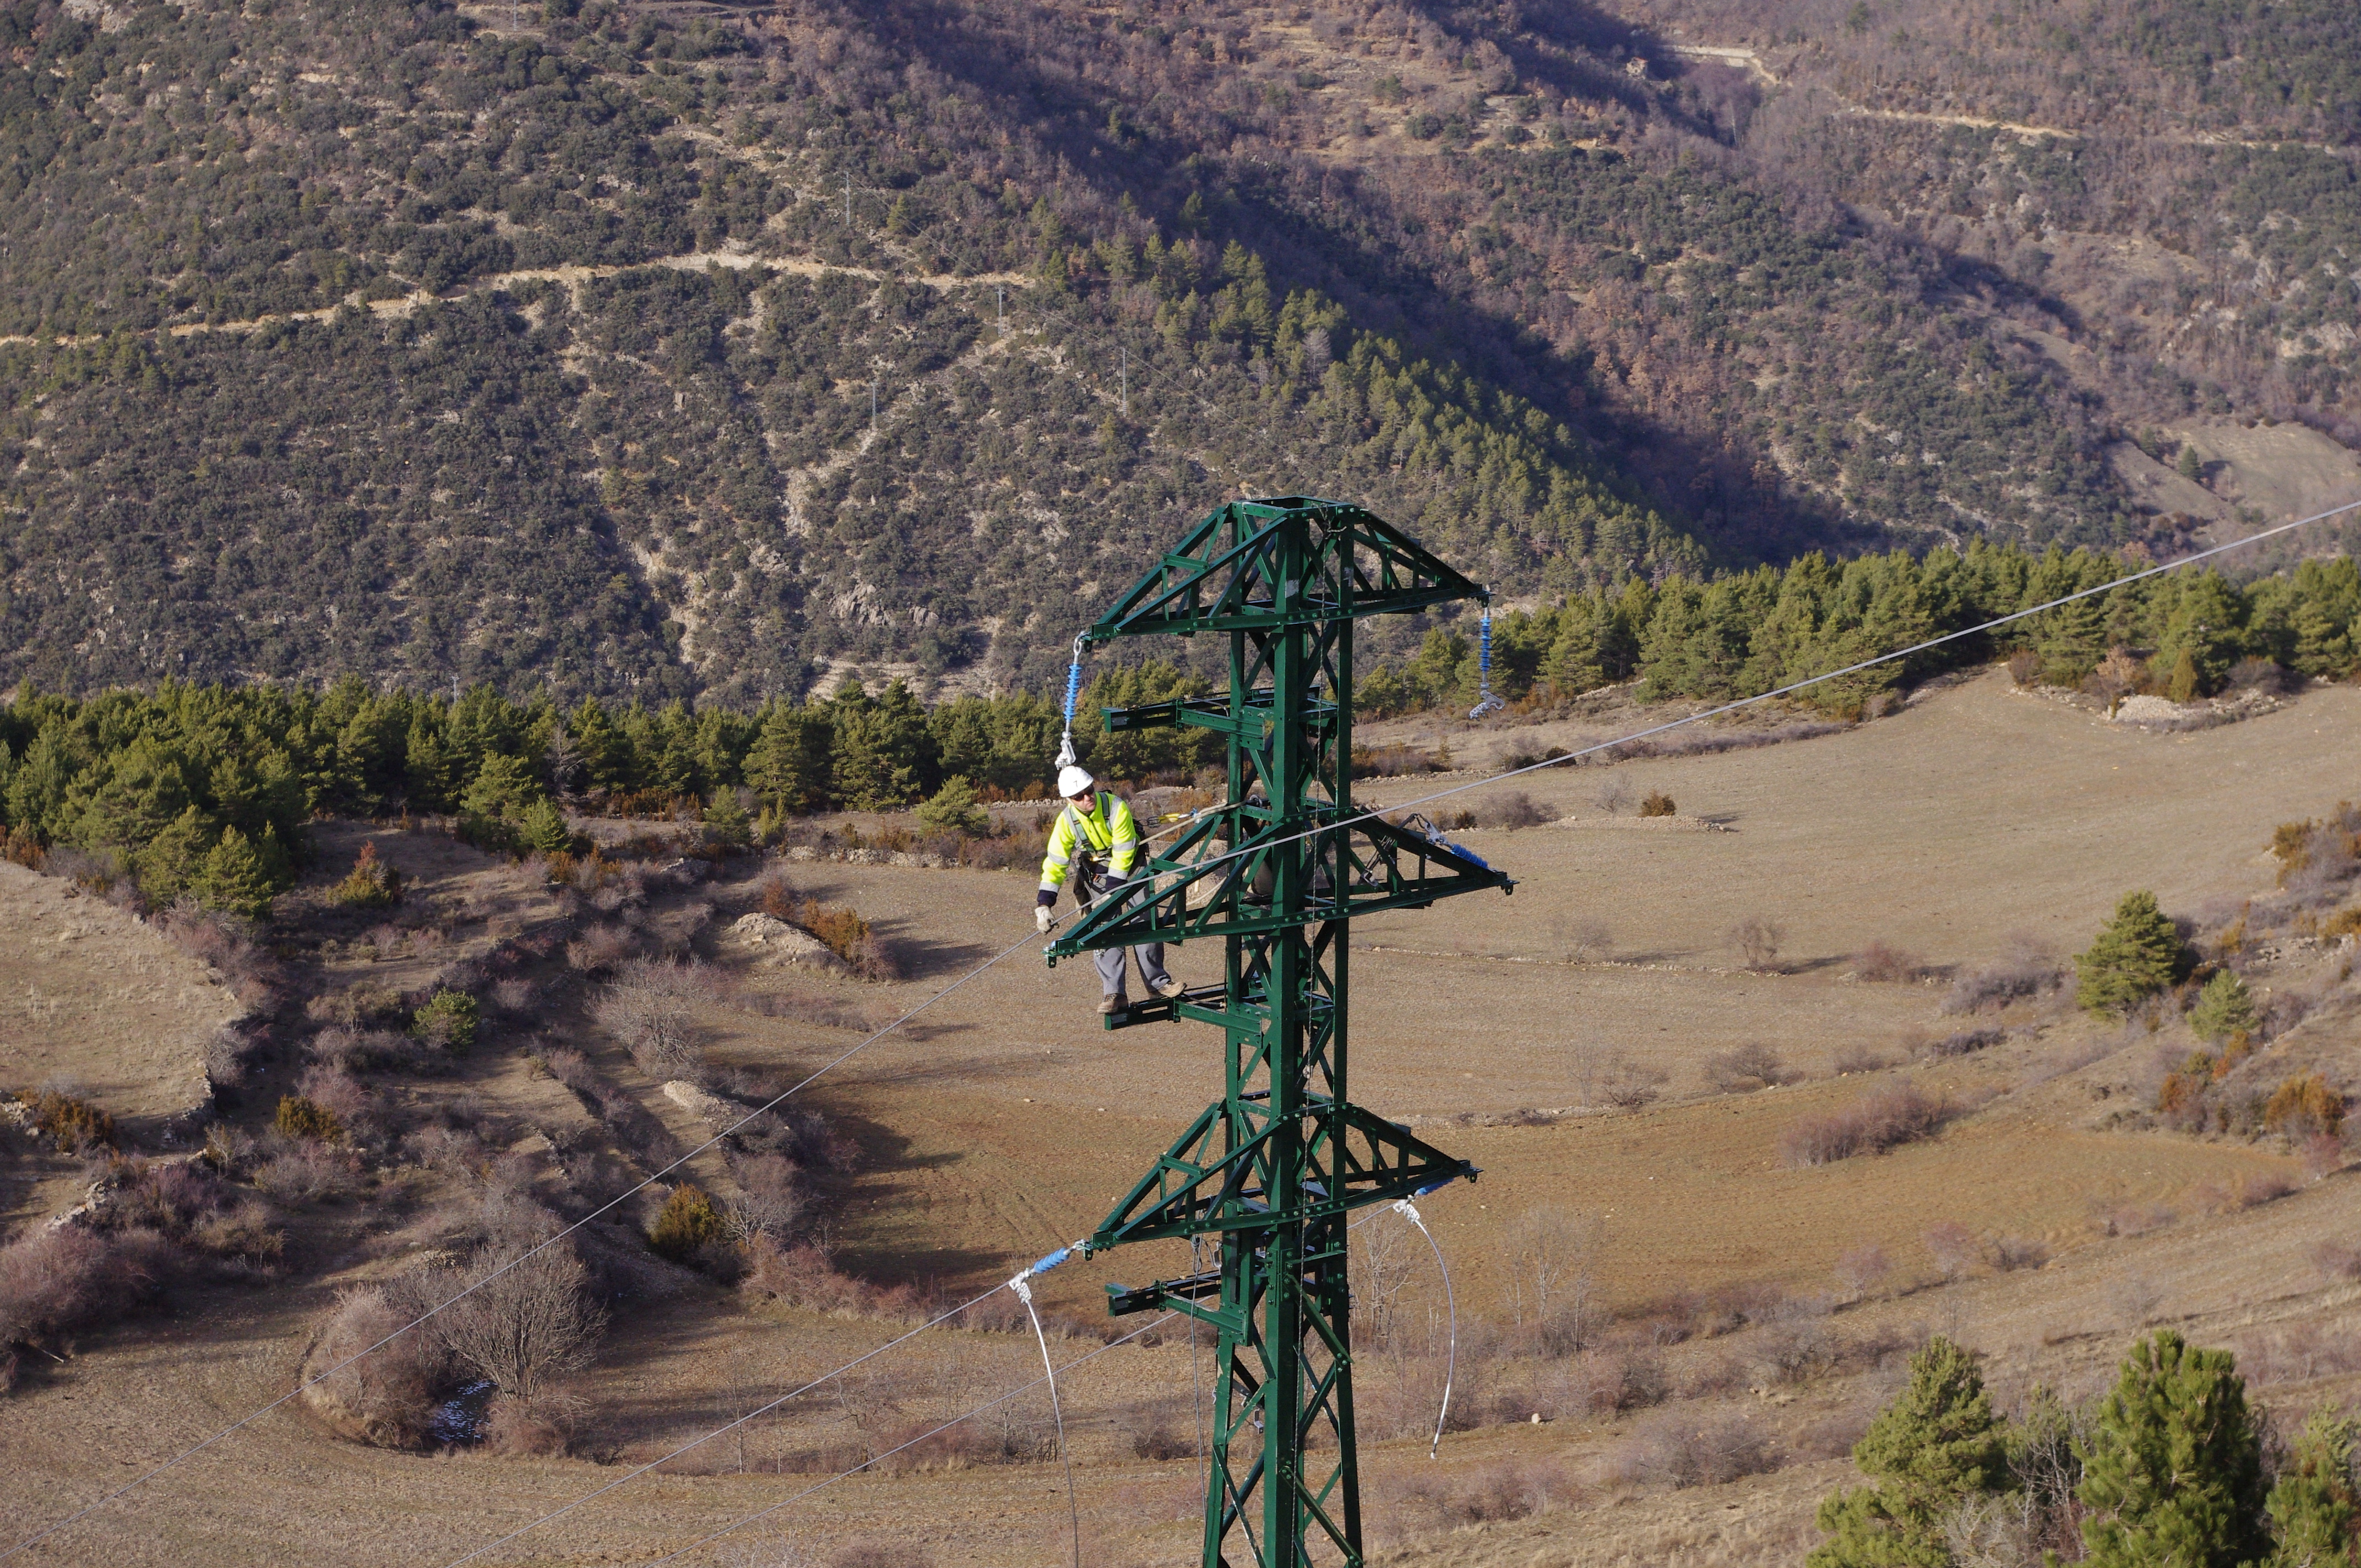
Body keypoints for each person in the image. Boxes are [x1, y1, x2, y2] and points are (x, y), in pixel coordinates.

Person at [1036, 764, 1184, 1014]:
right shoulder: (1066, 822)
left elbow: (1125, 849)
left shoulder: (1115, 806)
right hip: (1099, 874)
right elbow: (1056, 863)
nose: (1087, 798)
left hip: (1133, 868)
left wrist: (1114, 891)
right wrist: (1044, 904)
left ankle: (1158, 985)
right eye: (1079, 796)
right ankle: (1114, 994)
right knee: (1105, 929)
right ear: (1069, 801)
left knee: (1144, 921)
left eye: (1089, 791)